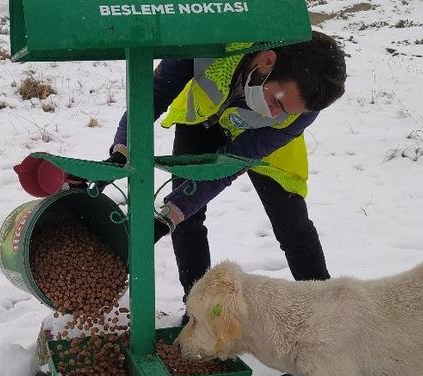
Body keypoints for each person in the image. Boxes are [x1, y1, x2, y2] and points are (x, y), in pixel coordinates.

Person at [102, 31, 347, 312]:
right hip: (203, 121)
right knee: (187, 222)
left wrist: (170, 215)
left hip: (262, 144)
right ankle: (200, 310)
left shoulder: (300, 111)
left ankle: (326, 312)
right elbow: (153, 96)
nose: (274, 114)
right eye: (277, 102)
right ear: (267, 61)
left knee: (292, 226)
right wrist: (122, 150)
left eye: (286, 111)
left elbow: (232, 163)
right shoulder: (208, 39)